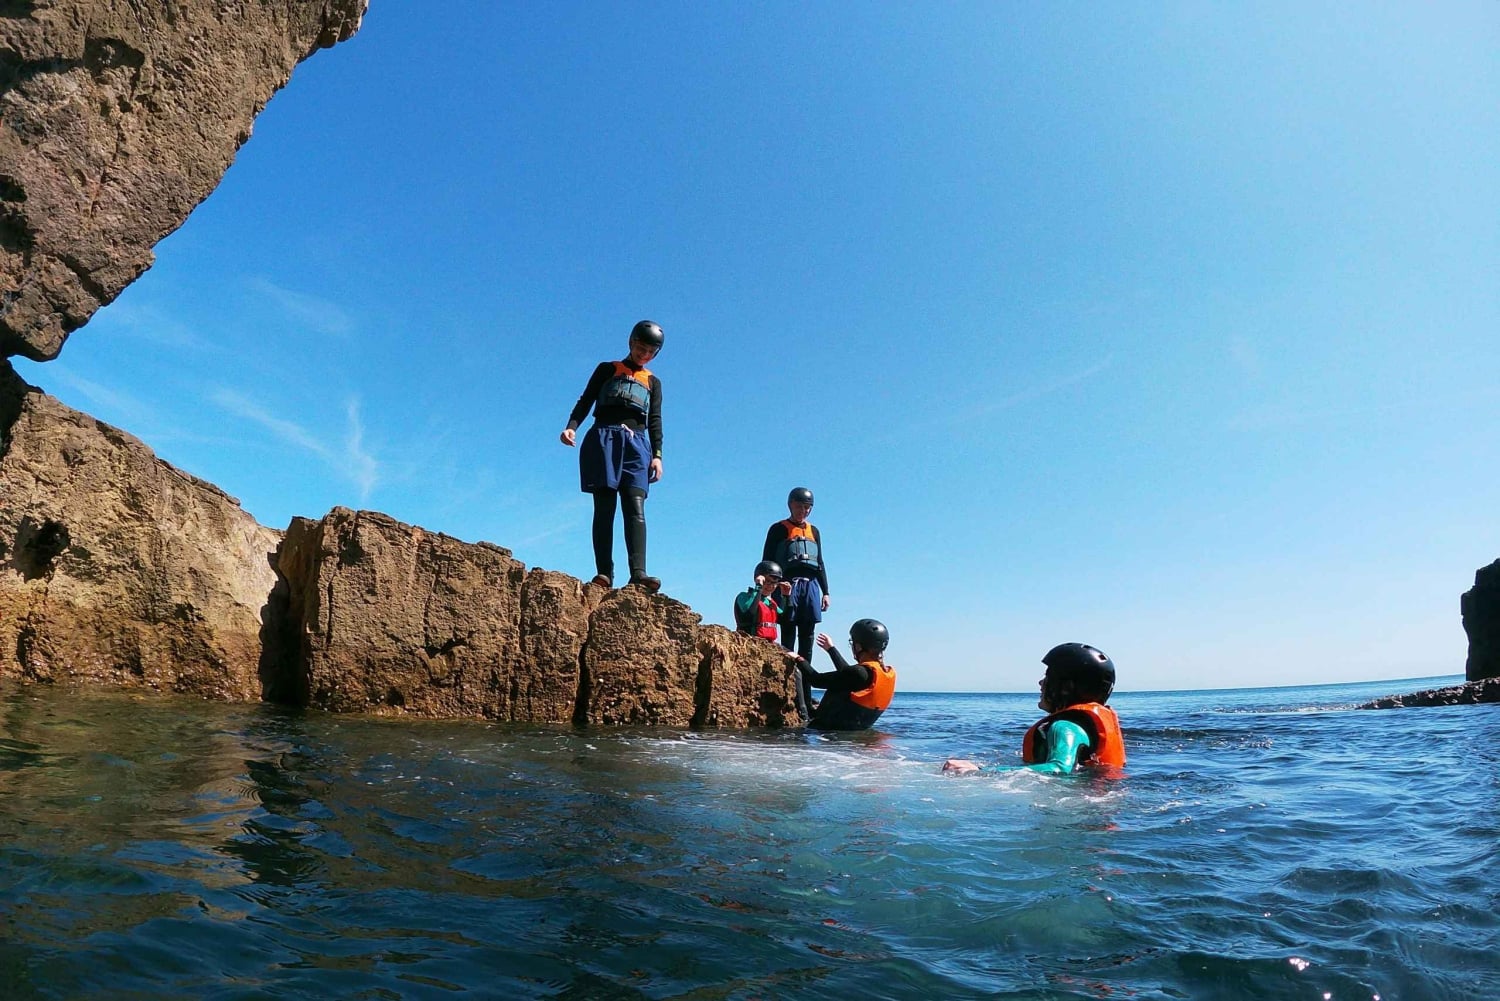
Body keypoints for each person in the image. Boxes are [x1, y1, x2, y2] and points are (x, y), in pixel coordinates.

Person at [560, 320, 664, 592]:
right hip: (604, 437)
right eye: (640, 347)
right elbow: (586, 399)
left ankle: (638, 574)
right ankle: (604, 573)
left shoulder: (653, 382)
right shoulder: (607, 369)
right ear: (631, 343)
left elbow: (655, 420)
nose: (643, 354)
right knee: (604, 507)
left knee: (635, 506)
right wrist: (571, 427)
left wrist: (658, 456)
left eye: (650, 351)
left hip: (638, 445)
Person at [942, 643, 1126, 775]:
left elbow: (1060, 769)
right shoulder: (1079, 724)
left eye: (1047, 677)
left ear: (1066, 687)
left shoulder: (1064, 727)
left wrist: (980, 771)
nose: (1040, 683)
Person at [763, 486, 829, 708]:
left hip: (810, 588)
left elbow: (819, 564)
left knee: (807, 641)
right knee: (788, 637)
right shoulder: (778, 529)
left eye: (807, 507)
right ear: (790, 505)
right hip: (787, 586)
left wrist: (826, 592)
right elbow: (766, 560)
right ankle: (789, 689)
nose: (804, 511)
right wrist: (769, 583)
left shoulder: (815, 532)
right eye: (800, 506)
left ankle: (806, 693)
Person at [796, 618, 896, 731]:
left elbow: (816, 680)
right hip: (852, 741)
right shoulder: (881, 672)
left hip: (825, 731)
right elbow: (847, 675)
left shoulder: (859, 673)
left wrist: (798, 659)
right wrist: (831, 649)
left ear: (858, 647)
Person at [734, 560, 791, 641]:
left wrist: (786, 597)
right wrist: (759, 586)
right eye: (767, 581)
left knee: (794, 654)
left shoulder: (770, 603)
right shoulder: (743, 596)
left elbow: (785, 620)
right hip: (748, 642)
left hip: (768, 645)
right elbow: (749, 613)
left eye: (774, 583)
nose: (771, 586)